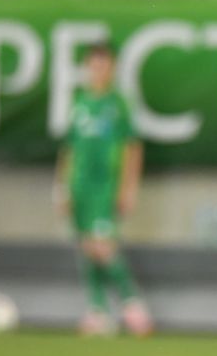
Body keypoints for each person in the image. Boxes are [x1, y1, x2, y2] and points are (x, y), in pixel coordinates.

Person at [54, 44, 153, 337]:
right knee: (86, 245)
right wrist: (62, 188)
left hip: (105, 184)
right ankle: (97, 311)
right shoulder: (80, 102)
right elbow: (68, 148)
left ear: (113, 69)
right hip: (79, 184)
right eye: (94, 66)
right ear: (87, 68)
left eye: (105, 65)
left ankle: (132, 305)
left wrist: (128, 188)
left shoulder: (118, 104)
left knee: (103, 245)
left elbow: (132, 147)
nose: (99, 71)